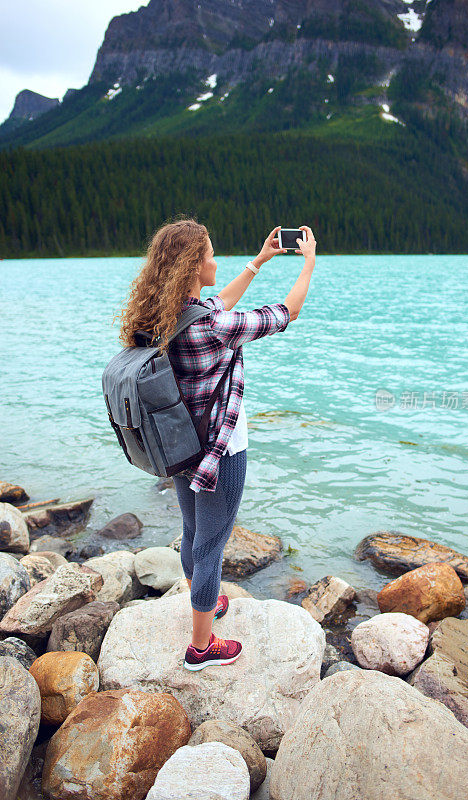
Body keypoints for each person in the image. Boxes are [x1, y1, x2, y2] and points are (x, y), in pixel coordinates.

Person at [117, 215, 316, 670]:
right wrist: (307, 265)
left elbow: (216, 305)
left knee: (193, 534)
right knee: (211, 546)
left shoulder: (159, 317)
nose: (214, 259)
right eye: (209, 254)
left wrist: (260, 261)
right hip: (219, 451)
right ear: (192, 264)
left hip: (181, 446)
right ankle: (202, 647)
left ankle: (200, 599)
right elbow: (287, 313)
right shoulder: (212, 327)